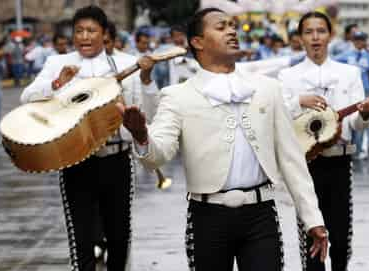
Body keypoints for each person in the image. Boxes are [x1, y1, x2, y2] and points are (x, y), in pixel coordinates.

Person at [118, 8, 328, 271]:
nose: (231, 31)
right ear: (197, 42)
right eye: (221, 27)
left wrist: (313, 219)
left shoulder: (267, 89)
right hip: (207, 218)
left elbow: (291, 159)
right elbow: (158, 156)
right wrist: (141, 135)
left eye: (232, 25)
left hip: (261, 215)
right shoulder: (178, 95)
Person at [20, 5, 159, 271]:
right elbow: (28, 97)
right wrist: (56, 85)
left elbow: (149, 113)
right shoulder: (57, 63)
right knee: (81, 237)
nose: (84, 36)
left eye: (91, 31)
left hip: (116, 159)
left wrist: (146, 76)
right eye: (79, 31)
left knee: (119, 235)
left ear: (104, 34)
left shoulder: (125, 64)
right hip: (75, 161)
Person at [278, 12, 369, 271]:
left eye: (321, 31)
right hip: (304, 166)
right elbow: (277, 118)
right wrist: (298, 102)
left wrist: (364, 114)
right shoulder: (288, 77)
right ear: (299, 38)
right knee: (311, 238)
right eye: (308, 32)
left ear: (330, 35)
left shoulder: (349, 73)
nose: (315, 37)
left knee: (341, 238)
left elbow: (355, 123)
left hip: (340, 162)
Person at [335, 31, 369, 158]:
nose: (361, 42)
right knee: (352, 119)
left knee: (368, 118)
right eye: (358, 40)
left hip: (366, 90)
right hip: (351, 91)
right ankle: (355, 148)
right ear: (354, 41)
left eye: (363, 40)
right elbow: (332, 65)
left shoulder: (368, 56)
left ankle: (368, 146)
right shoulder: (346, 55)